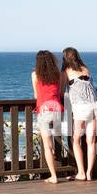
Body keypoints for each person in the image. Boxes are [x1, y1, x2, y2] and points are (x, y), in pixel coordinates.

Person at [62, 47, 97, 181]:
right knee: (91, 141)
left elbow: (62, 90)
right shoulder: (85, 68)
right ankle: (89, 173)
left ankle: (81, 173)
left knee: (75, 140)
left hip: (81, 107)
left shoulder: (66, 71)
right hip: (95, 104)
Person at [31, 50, 64, 184]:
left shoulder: (35, 75)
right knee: (53, 138)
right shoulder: (58, 74)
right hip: (58, 110)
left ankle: (54, 176)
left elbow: (36, 96)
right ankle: (55, 152)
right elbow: (61, 92)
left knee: (47, 146)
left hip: (44, 111)